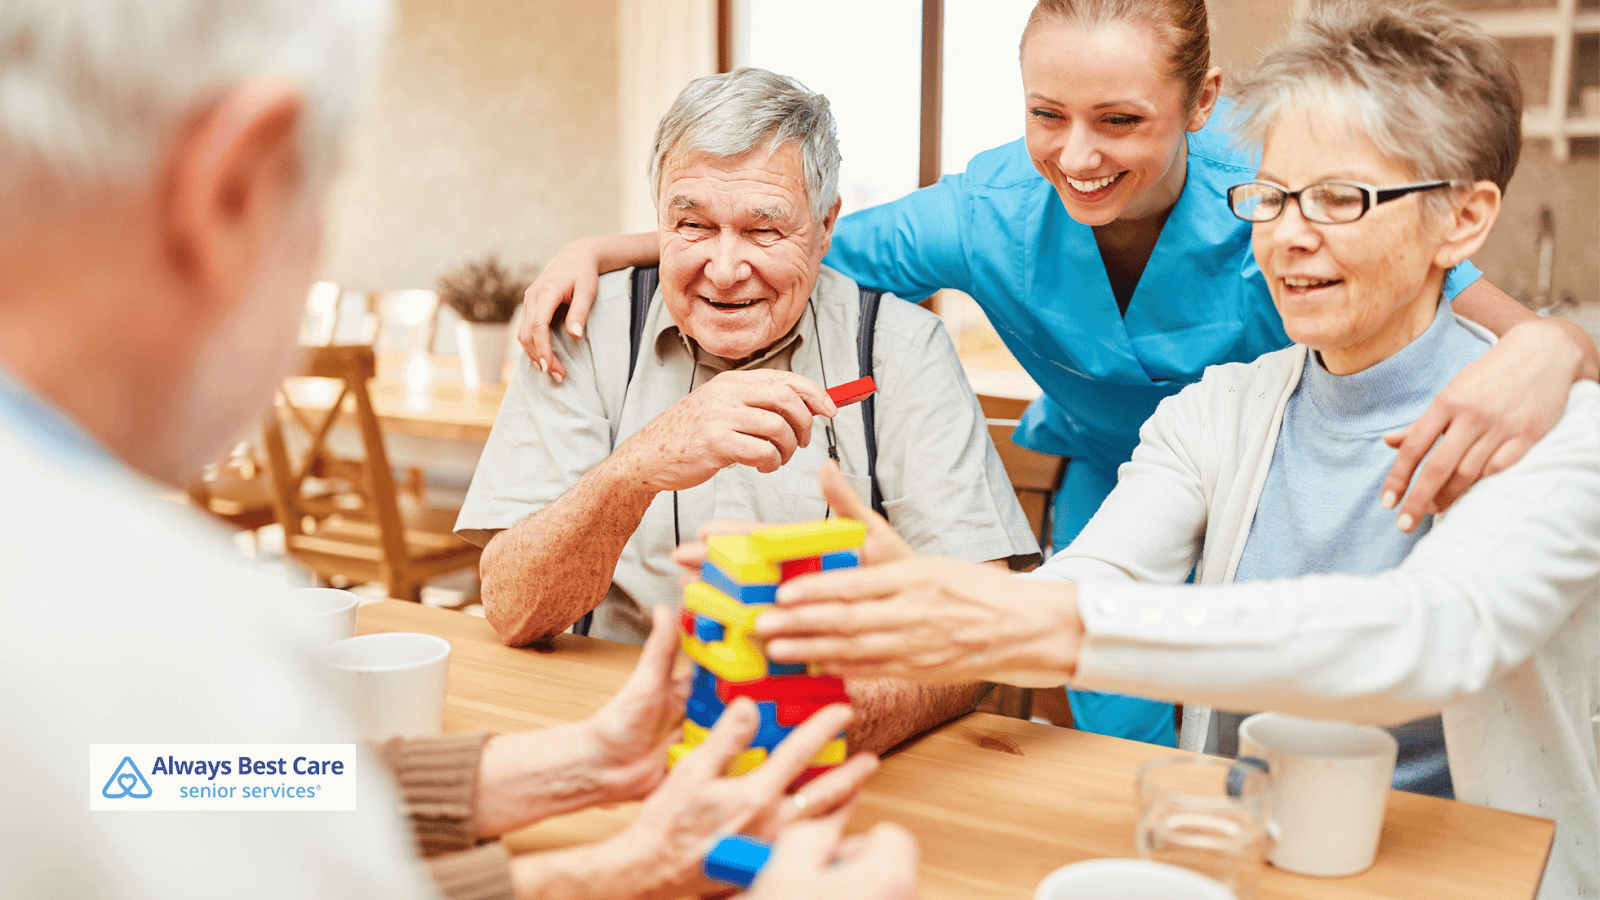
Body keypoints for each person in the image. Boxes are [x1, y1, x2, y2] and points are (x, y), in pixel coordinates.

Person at [0, 1, 914, 897]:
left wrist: (571, 768)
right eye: (322, 187)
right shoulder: (148, 644)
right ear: (228, 189)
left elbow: (173, 782)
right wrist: (634, 875)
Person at [510, 0, 1599, 748]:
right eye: (1047, 115)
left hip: (1287, 491)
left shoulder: (1269, 200)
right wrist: (619, 249)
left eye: (1120, 120)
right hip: (1140, 477)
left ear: (1201, 102)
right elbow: (790, 235)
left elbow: (1430, 622)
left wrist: (1553, 349)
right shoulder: (1000, 225)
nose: (1078, 154)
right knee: (1129, 729)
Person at [749, 3, 1599, 897]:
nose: (1288, 235)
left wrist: (1037, 623)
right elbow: (1098, 576)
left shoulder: (1555, 431)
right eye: (1271, 197)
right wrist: (937, 609)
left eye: (1341, 198)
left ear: (1462, 224)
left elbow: (1429, 633)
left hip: (1478, 874)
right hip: (1252, 860)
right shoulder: (1220, 412)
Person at [454, 67, 1039, 755]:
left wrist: (815, 720)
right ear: (660, 221)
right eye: (693, 224)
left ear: (825, 227)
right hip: (604, 731)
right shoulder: (583, 327)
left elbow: (975, 632)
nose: (725, 268)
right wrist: (636, 467)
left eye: (764, 231)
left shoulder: (901, 348)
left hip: (826, 742)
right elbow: (514, 609)